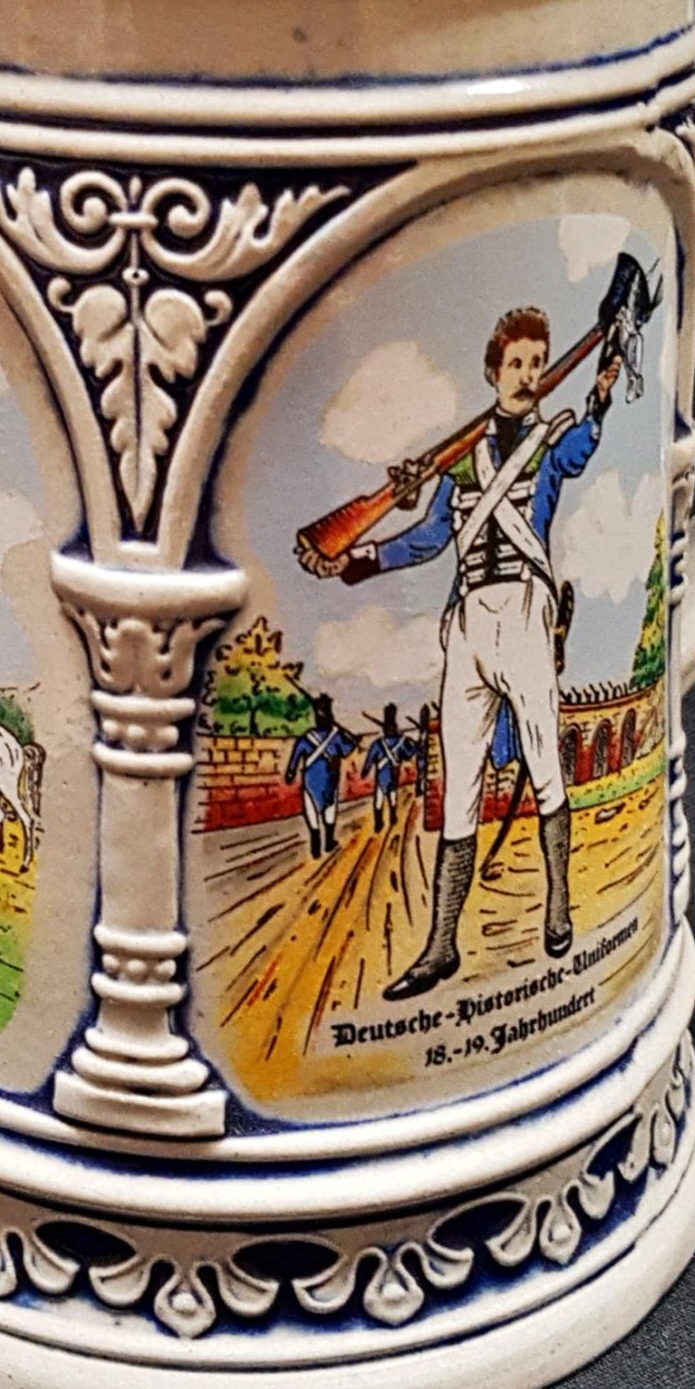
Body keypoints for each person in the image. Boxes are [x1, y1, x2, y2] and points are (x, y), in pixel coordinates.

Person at [298, 305, 620, 995]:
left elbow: (582, 449)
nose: (528, 375)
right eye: (517, 364)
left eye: (538, 364)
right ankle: (441, 945)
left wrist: (599, 392)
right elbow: (426, 540)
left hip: (527, 612)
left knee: (545, 766)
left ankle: (559, 908)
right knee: (462, 787)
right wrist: (354, 561)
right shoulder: (458, 463)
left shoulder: (550, 442)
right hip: (469, 620)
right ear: (493, 372)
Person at [285, 692, 358, 859]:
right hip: (330, 784)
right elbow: (349, 748)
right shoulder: (336, 736)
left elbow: (294, 763)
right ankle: (328, 842)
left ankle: (316, 847)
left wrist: (291, 773)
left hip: (311, 784)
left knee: (312, 813)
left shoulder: (305, 738)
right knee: (329, 812)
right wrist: (350, 738)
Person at [363, 703, 419, 832]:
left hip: (382, 777)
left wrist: (365, 771)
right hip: (393, 776)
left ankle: (379, 823)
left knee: (379, 800)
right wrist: (413, 744)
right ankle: (392, 817)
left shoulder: (378, 743)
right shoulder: (401, 742)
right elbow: (409, 754)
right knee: (392, 797)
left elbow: (370, 759)